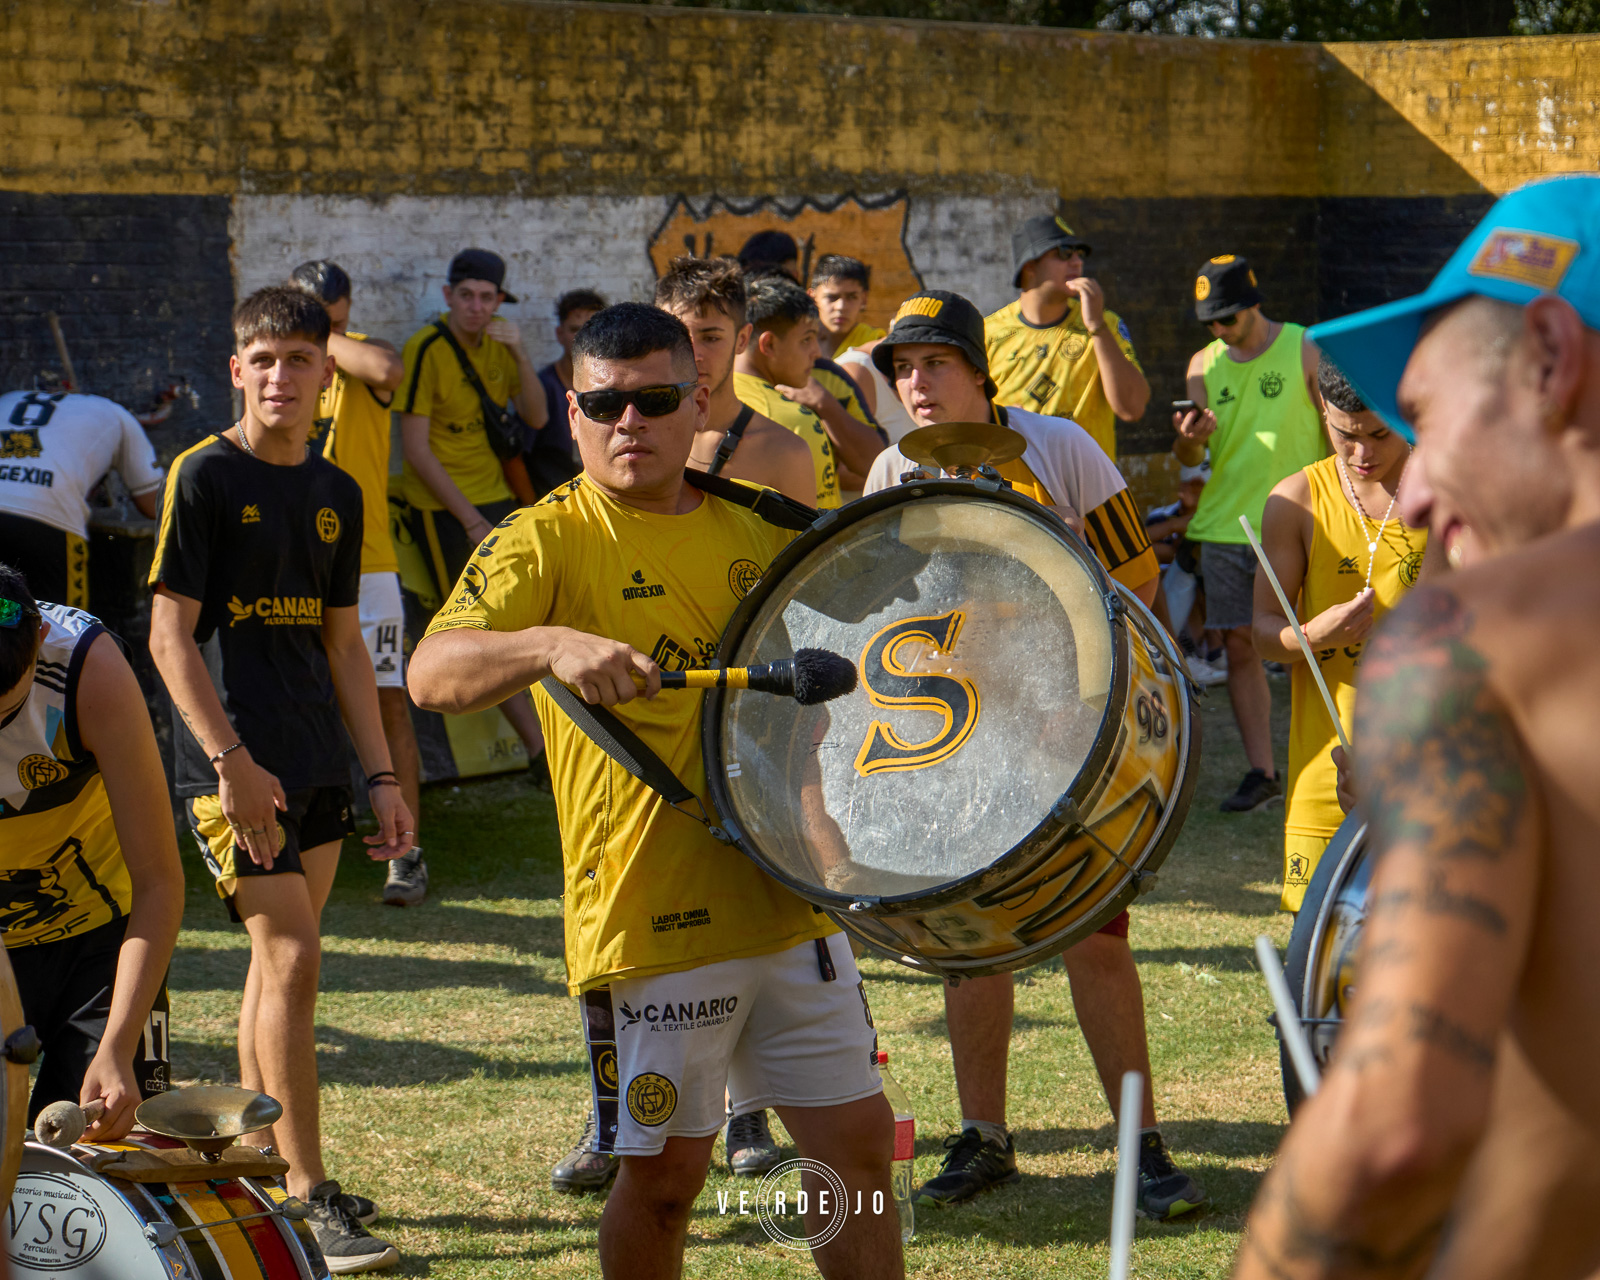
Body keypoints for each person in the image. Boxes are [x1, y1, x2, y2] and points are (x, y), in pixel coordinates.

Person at [407, 303, 901, 1279]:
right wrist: (550, 642)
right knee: (668, 1178)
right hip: (651, 913)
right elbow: (433, 672)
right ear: (572, 406)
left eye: (654, 398)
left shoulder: (755, 524)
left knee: (858, 1147)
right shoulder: (542, 540)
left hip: (787, 899)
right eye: (603, 402)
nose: (628, 420)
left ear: (698, 402)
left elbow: (877, 618)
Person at [1233, 174, 1600, 1280]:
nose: (1419, 484)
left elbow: (1394, 1130)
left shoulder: (1487, 641)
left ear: (1549, 355)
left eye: (1425, 421)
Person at [864, 291, 1206, 1221]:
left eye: (935, 364)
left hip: (1072, 729)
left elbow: (1140, 591)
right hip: (960, 736)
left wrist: (1122, 717)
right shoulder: (892, 467)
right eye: (902, 370)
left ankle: (1142, 1144)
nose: (917, 386)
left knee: (1095, 934)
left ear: (981, 372)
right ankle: (985, 1137)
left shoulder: (1063, 446)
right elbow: (890, 608)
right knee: (974, 939)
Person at [148, 285, 412, 1274]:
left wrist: (380, 771)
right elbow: (170, 636)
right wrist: (230, 765)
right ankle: (308, 1195)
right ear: (236, 370)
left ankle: (255, 1159)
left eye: (299, 359)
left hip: (317, 761)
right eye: (262, 359)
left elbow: (345, 645)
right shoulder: (203, 474)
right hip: (231, 762)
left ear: (323, 373)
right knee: (293, 957)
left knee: (277, 968)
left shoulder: (340, 491)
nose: (280, 376)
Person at [0, 565, 183, 1140]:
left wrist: (119, 1043)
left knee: (97, 1152)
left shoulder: (89, 668)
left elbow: (159, 881)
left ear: (36, 641)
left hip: (103, 941)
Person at [1250, 356, 1428, 912]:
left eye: (1379, 434)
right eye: (1344, 435)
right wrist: (1309, 634)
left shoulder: (1448, 492)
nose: (1362, 454)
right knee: (1326, 962)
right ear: (1321, 412)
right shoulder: (1297, 499)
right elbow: (1259, 632)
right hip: (1328, 766)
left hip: (1425, 763)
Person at [288, 260, 428, 910]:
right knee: (291, 700)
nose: (328, 336)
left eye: (336, 322)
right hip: (292, 561)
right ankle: (293, 846)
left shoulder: (361, 356)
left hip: (368, 563)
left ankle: (408, 855)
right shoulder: (282, 370)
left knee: (389, 702)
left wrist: (319, 335)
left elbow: (387, 372)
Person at [1173, 254, 1323, 813]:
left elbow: (1339, 429)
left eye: (1227, 318)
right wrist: (1190, 438)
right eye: (1210, 322)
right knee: (1241, 647)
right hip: (1227, 525)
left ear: (1253, 304)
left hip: (1300, 520)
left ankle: (1335, 758)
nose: (1219, 330)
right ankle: (1263, 772)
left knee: (1317, 643)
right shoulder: (1203, 366)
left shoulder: (1307, 346)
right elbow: (1190, 456)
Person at [398, 248, 547, 770]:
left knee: (521, 619)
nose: (476, 308)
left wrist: (523, 355)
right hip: (446, 508)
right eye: (467, 296)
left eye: (488, 298)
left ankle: (545, 744)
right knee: (472, 631)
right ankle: (537, 751)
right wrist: (467, 517)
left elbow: (536, 415)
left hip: (497, 499)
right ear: (448, 296)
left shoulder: (500, 343)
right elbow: (415, 450)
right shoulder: (426, 348)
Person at [984, 214, 1150, 461]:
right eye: (1064, 252)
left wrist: (1097, 326)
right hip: (1015, 491)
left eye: (1079, 254)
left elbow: (1132, 408)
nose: (1077, 262)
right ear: (1029, 266)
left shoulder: (1106, 324)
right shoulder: (988, 332)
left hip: (1088, 490)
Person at [656, 257, 814, 504]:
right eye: (679, 336)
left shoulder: (785, 453)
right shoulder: (638, 436)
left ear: (742, 339)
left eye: (710, 338)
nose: (694, 354)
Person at [0, 387, 163, 607]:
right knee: (64, 629)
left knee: (7, 615)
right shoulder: (115, 413)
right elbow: (154, 505)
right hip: (49, 518)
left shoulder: (10, 397)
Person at [733, 275, 884, 507]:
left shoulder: (705, 399)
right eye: (806, 340)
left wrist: (827, 406)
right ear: (769, 345)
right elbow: (819, 529)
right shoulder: (795, 422)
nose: (816, 352)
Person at [529, 288, 606, 498]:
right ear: (559, 333)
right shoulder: (544, 386)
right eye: (574, 330)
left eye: (590, 329)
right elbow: (515, 457)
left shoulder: (614, 388)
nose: (583, 339)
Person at [809, 254, 884, 357]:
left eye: (852, 297)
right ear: (812, 298)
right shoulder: (798, 342)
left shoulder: (875, 343)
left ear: (864, 299)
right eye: (832, 297)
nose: (841, 306)